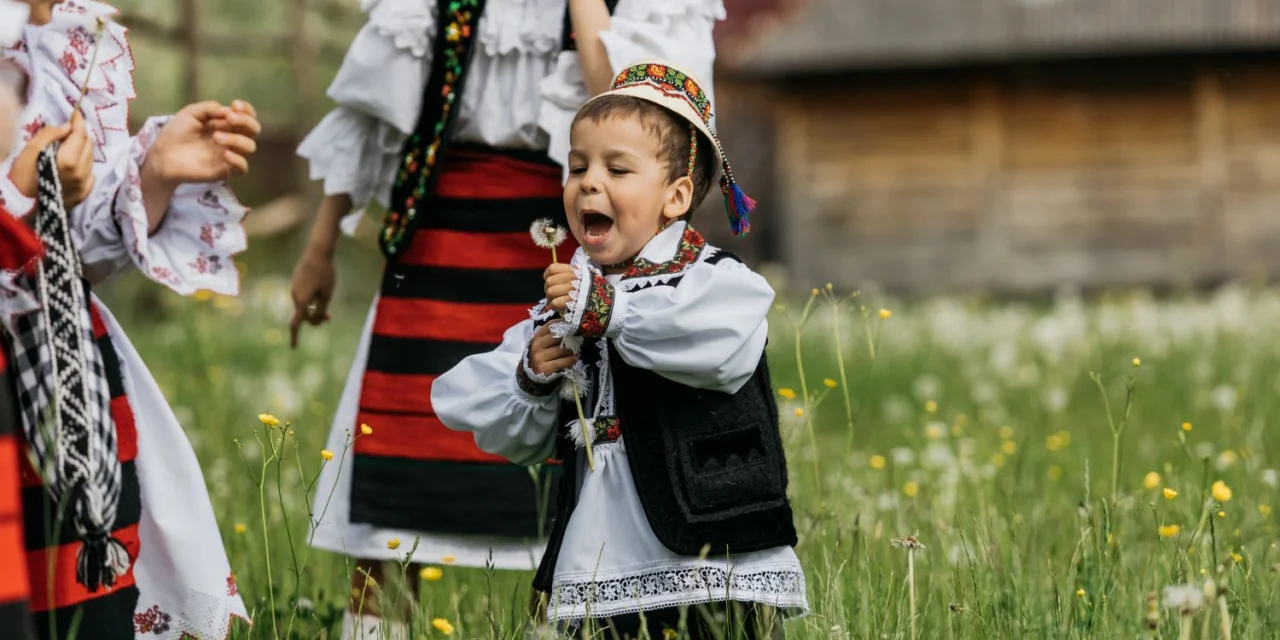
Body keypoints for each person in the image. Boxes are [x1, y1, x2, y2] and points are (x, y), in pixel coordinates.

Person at [288, 0, 724, 636]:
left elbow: (626, 117)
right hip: (435, 233)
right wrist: (321, 246)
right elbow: (369, 112)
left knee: (560, 472)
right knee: (399, 458)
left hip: (567, 240)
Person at [430, 60, 809, 639]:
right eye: (577, 165)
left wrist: (608, 311)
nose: (589, 181)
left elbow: (720, 349)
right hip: (598, 548)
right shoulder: (564, 302)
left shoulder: (707, 280)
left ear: (676, 196)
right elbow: (503, 426)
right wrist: (532, 375)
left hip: (708, 551)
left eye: (617, 168)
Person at [0, 1, 261, 637]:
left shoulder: (61, 38)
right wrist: (22, 189)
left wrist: (154, 174)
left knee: (77, 602)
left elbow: (70, 247)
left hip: (59, 378)